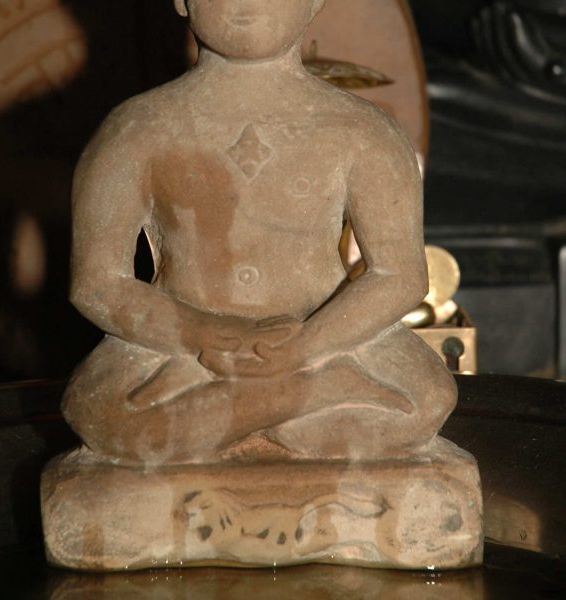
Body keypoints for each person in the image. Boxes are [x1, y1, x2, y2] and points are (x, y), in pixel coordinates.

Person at [63, 0, 456, 466]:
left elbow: (399, 275)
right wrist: (202, 332)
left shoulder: (362, 130)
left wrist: (306, 347)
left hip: (325, 340)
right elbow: (99, 283)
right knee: (97, 410)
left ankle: (231, 414)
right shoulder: (135, 129)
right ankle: (307, 397)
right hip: (180, 353)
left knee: (428, 398)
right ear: (183, 1)